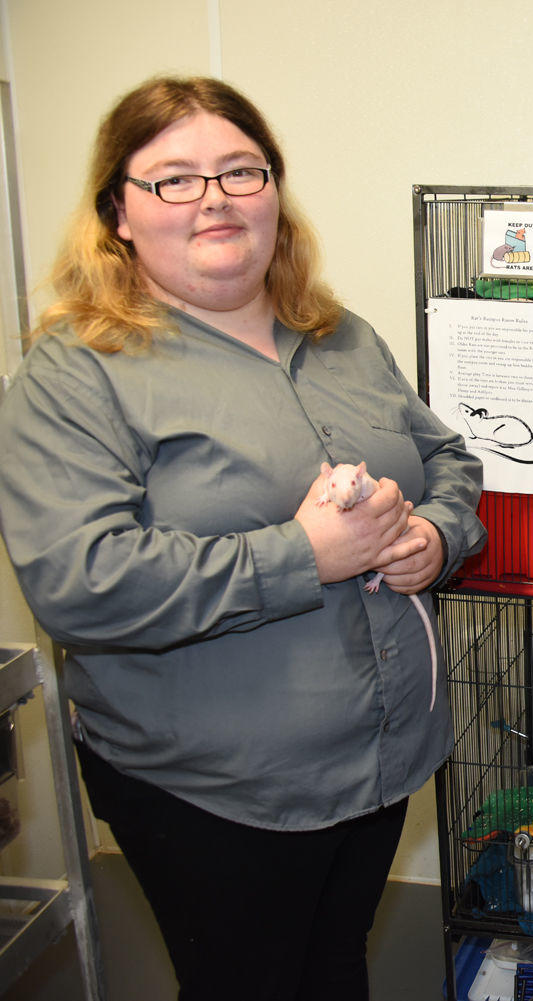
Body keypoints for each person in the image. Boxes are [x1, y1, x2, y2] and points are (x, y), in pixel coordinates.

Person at [0, 76, 487, 1000]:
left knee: (335, 967)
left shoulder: (340, 334)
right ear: (119, 215)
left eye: (239, 170)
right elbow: (80, 578)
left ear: (274, 193)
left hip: (382, 760)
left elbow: (449, 457)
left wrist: (436, 531)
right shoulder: (77, 371)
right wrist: (303, 555)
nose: (215, 196)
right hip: (216, 791)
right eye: (173, 179)